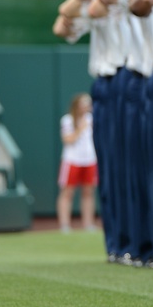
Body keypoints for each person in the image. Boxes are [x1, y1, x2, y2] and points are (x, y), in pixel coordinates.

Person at [57, 93, 98, 233]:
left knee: (88, 192)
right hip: (72, 160)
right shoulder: (67, 120)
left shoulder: (92, 119)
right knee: (67, 192)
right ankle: (65, 225)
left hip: (90, 160)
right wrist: (80, 128)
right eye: (83, 104)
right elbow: (68, 139)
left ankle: (88, 224)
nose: (87, 107)